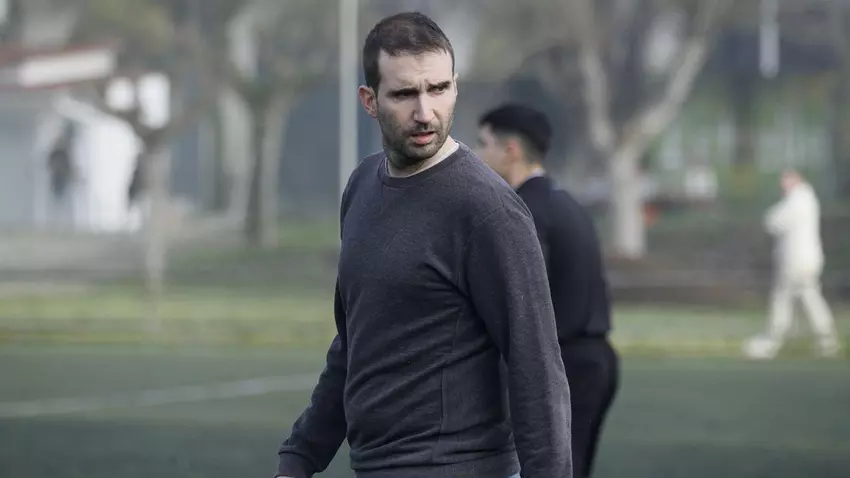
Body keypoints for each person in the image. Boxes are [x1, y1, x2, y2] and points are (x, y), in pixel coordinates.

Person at [275, 13, 572, 478]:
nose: (425, 112)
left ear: (455, 86)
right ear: (369, 100)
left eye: (438, 89)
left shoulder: (488, 209)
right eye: (404, 94)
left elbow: (536, 365)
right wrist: (299, 458)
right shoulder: (361, 187)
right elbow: (354, 345)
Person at [476, 104, 619, 478]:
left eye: (484, 143)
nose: (478, 154)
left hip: (567, 365)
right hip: (593, 360)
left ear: (510, 150)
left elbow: (520, 295)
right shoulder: (563, 200)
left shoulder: (526, 208)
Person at [743, 169, 842, 359]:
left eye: (786, 180)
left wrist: (770, 218)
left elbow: (774, 221)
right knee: (810, 297)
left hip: (796, 260)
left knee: (782, 299)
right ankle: (827, 340)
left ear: (796, 179)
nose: (783, 184)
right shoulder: (806, 198)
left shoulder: (797, 199)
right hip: (807, 259)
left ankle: (772, 341)